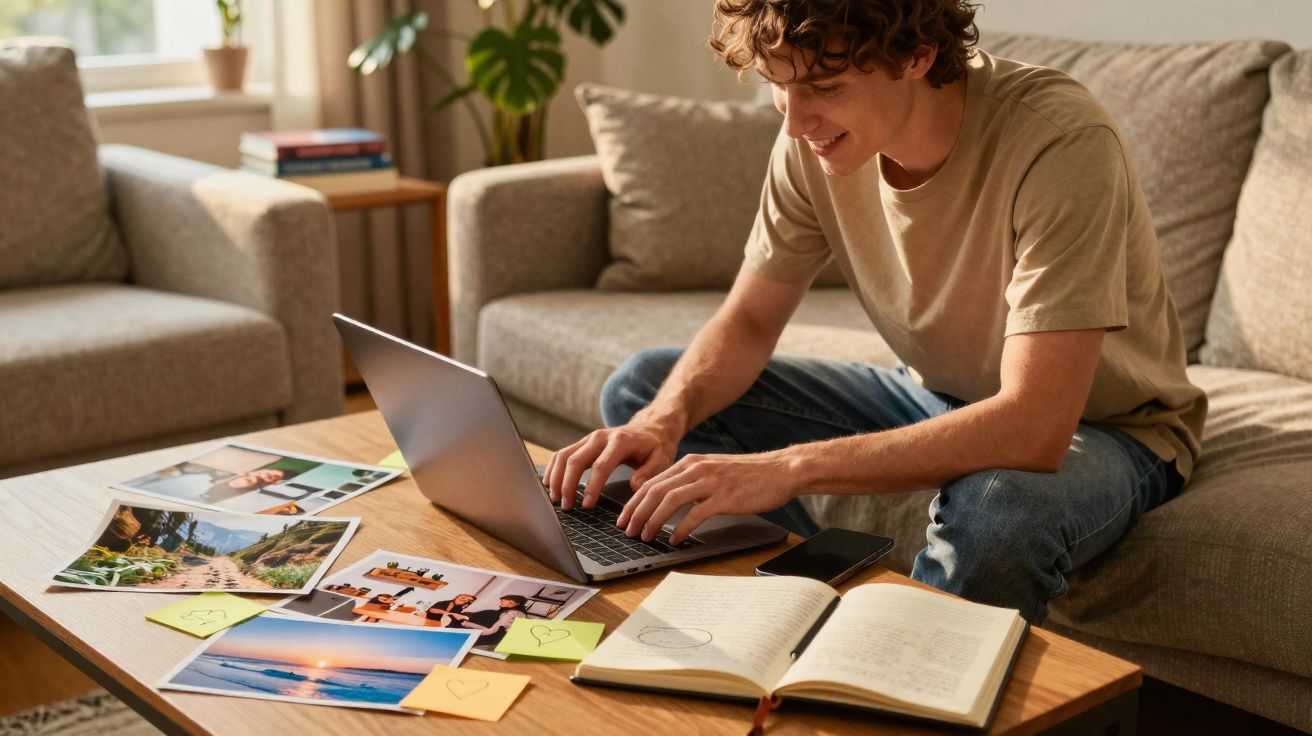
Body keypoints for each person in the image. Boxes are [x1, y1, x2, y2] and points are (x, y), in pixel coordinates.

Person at [544, 0, 1206, 625]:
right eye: (779, 85)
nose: (795, 122)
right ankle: (804, 611)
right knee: (644, 388)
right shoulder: (810, 144)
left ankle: (888, 675)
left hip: (1109, 429)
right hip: (929, 393)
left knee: (1002, 509)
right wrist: (664, 422)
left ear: (916, 54)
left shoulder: (1058, 139)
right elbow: (748, 323)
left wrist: (786, 467)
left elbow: (1035, 425)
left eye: (824, 89)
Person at [460, 595, 529, 647]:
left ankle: (464, 620)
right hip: (489, 633)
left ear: (517, 603)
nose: (502, 602)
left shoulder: (513, 613)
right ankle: (465, 619)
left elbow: (490, 631)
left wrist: (468, 625)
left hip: (490, 637)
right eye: (502, 600)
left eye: (508, 601)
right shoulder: (509, 612)